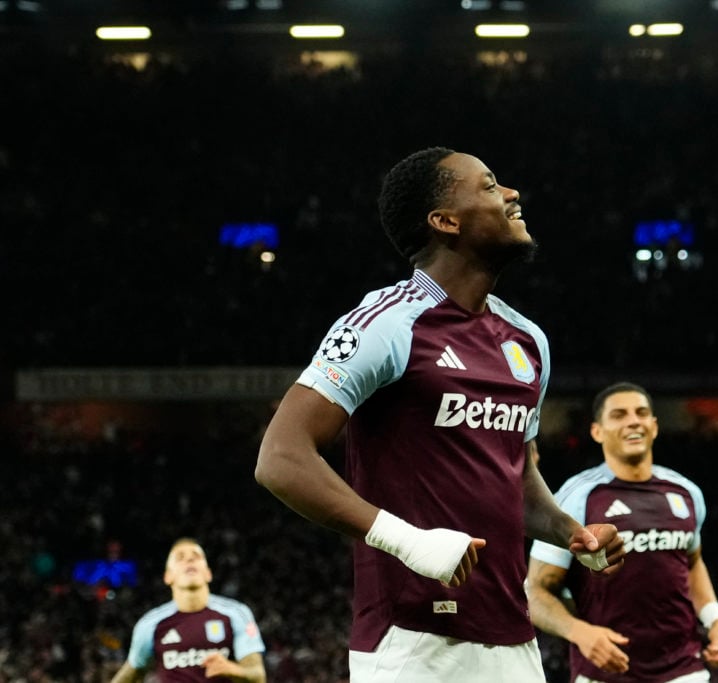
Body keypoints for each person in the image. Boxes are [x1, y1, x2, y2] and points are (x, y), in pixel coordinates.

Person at [254, 146, 626, 682]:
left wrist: (571, 532)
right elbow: (280, 458)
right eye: (491, 186)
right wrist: (408, 540)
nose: (512, 194)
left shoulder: (528, 342)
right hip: (413, 640)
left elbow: (516, 480)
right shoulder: (386, 323)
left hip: (514, 638)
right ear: (445, 221)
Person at [527, 381, 718, 683]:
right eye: (619, 415)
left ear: (654, 426)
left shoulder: (686, 493)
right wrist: (580, 633)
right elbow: (534, 591)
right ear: (597, 431)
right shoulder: (577, 496)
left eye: (641, 413)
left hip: (684, 669)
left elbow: (692, 563)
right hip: (605, 673)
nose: (633, 421)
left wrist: (716, 619)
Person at [109, 537, 266, 683]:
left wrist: (233, 670)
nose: (189, 559)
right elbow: (132, 671)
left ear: (208, 574)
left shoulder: (236, 613)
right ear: (168, 576)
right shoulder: (150, 624)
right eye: (180, 557)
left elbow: (258, 676)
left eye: (196, 556)